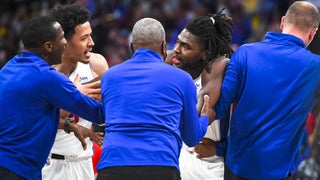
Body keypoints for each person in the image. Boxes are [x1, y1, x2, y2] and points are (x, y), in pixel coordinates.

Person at [96, 17, 215, 180]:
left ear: (131, 47)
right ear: (164, 47)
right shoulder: (182, 79)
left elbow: (103, 116)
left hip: (113, 165)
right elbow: (192, 137)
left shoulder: (110, 76)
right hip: (161, 166)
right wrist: (205, 118)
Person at [214, 1, 320, 179]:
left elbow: (219, 108)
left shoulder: (244, 53)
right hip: (278, 172)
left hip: (236, 166)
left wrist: (219, 148)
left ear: (282, 21)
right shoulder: (316, 67)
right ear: (313, 33)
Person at [0, 16, 105, 180]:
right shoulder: (48, 77)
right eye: (62, 38)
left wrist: (69, 125)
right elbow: (98, 114)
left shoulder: (10, 67)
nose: (65, 43)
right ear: (48, 46)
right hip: (18, 168)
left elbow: (29, 116)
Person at [41, 3, 109, 180]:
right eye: (84, 38)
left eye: (91, 36)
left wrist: (108, 101)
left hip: (85, 162)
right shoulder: (45, 72)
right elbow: (35, 118)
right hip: (50, 164)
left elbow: (113, 112)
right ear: (64, 41)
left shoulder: (97, 65)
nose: (91, 43)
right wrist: (74, 97)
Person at [166, 11, 233, 180]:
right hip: (179, 158)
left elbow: (192, 124)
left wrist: (220, 148)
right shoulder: (171, 59)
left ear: (205, 53)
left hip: (210, 166)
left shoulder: (219, 67)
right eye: (177, 42)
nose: (176, 49)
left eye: (186, 46)